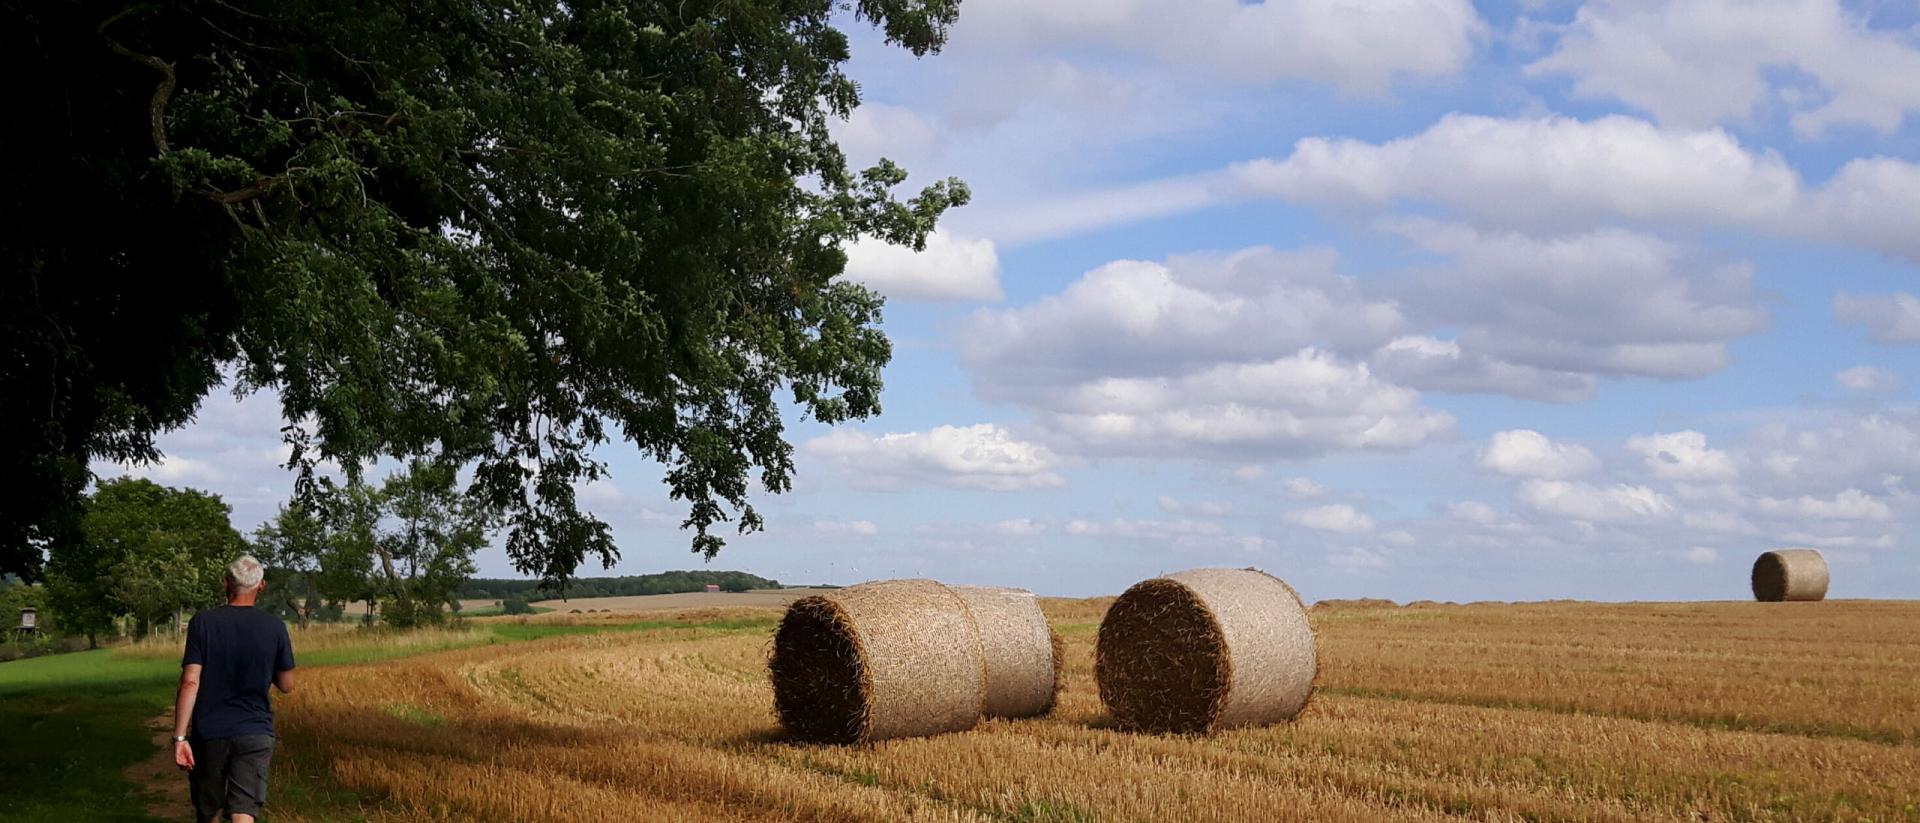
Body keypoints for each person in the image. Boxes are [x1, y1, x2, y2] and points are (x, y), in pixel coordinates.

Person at [171, 555, 296, 823]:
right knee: (244, 810)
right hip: (255, 731)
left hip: (210, 733)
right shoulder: (275, 627)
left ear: (226, 583)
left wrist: (180, 737)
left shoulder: (202, 622)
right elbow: (287, 685)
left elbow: (190, 681)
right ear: (260, 586)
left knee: (209, 810)